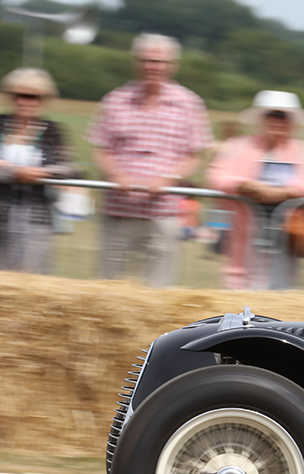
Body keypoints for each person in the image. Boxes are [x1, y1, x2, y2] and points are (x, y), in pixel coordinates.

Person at [88, 33, 211, 287]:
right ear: (136, 62)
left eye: (158, 62)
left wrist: (169, 178)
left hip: (163, 211)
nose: (151, 67)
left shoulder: (189, 103)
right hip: (119, 207)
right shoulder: (116, 99)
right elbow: (100, 149)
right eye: (146, 60)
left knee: (159, 287)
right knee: (107, 286)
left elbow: (195, 156)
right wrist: (116, 175)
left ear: (172, 65)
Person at [207, 90, 304, 290]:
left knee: (280, 292)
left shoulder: (302, 148)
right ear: (261, 118)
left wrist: (285, 192)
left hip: (284, 236)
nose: (278, 121)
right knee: (240, 291)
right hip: (244, 235)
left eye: (284, 116)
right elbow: (216, 176)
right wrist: (247, 185)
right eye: (272, 115)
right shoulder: (239, 145)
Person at [0, 69, 79, 273]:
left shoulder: (53, 131)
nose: (25, 102)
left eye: (33, 97)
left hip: (36, 218)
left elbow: (69, 168)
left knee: (31, 278)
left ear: (44, 100)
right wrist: (16, 172)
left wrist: (41, 174)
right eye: (19, 95)